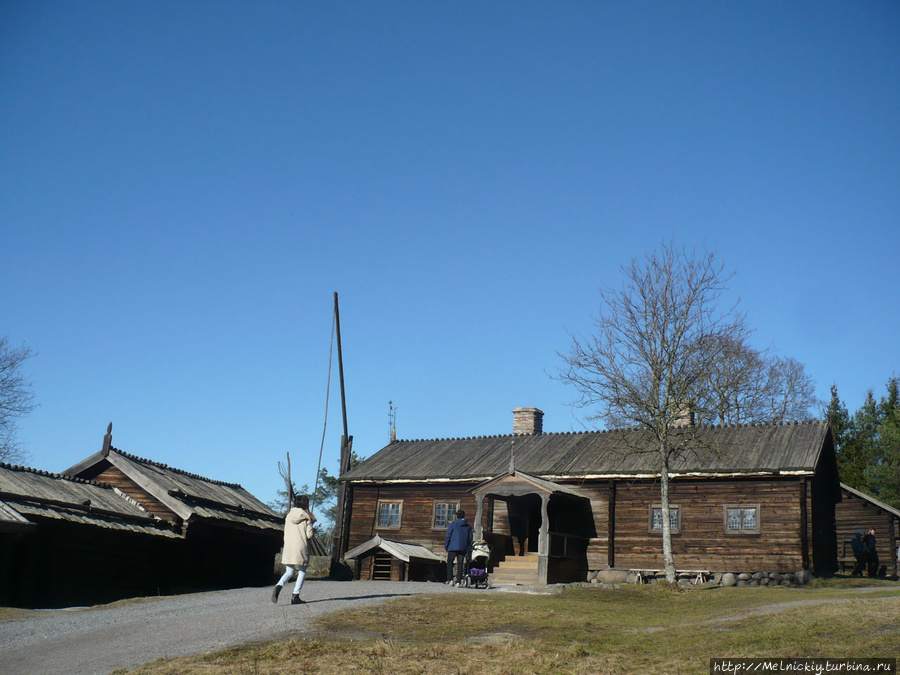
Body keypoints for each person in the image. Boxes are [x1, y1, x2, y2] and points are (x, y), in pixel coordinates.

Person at [272, 495, 317, 605]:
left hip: (289, 546)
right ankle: (295, 596)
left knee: (289, 571)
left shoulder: (289, 516)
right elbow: (309, 535)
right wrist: (313, 527)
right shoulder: (307, 517)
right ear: (305, 504)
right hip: (301, 546)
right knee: (302, 571)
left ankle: (279, 585)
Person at [444, 509, 473, 587]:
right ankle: (458, 581)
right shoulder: (468, 526)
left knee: (450, 562)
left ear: (457, 516)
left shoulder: (453, 524)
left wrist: (446, 546)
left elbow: (448, 536)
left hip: (452, 547)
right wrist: (467, 548)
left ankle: (450, 579)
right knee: (460, 564)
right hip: (462, 547)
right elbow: (470, 538)